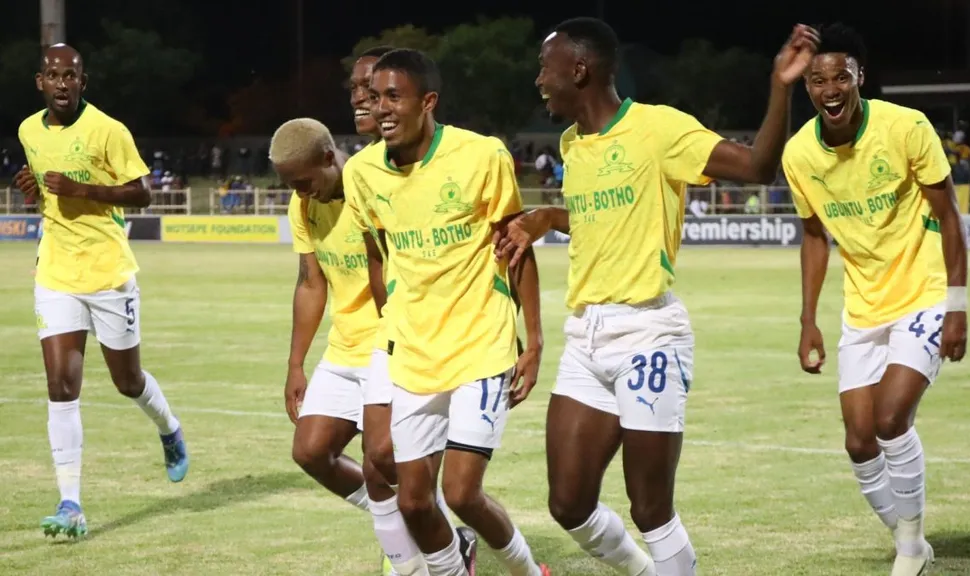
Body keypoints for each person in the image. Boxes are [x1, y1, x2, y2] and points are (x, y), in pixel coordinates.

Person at [493, 18, 818, 576]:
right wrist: (550, 215)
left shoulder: (659, 129)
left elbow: (758, 170)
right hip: (586, 336)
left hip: (649, 336)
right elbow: (604, 217)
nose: (538, 80)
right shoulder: (574, 142)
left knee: (650, 508)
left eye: (545, 69)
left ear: (580, 69)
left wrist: (780, 87)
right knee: (568, 504)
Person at [270, 47, 476, 576]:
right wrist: (296, 363)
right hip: (346, 346)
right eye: (359, 92)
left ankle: (418, 553)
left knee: (383, 460)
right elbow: (310, 281)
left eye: (375, 91)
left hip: (395, 342)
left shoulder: (375, 179)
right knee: (311, 451)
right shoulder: (306, 200)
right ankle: (424, 533)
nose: (365, 100)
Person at [345, 48, 547, 576]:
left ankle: (528, 571)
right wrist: (393, 323)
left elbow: (516, 247)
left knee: (460, 492)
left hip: (480, 345)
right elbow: (378, 254)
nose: (379, 106)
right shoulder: (362, 173)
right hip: (413, 352)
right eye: (374, 95)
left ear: (428, 101)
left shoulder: (481, 156)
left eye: (394, 96)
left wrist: (535, 340)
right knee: (412, 501)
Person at [781, 23, 968, 576]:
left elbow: (949, 216)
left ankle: (909, 552)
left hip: (925, 293)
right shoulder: (799, 155)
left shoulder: (906, 127)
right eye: (818, 80)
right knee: (860, 443)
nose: (830, 88)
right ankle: (910, 534)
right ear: (807, 88)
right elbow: (814, 234)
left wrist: (956, 304)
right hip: (862, 307)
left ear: (861, 77)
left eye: (842, 76)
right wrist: (808, 319)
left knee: (891, 420)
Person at [12, 44, 188, 540]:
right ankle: (71, 503)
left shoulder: (109, 130)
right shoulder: (28, 130)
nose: (62, 83)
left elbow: (142, 193)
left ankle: (168, 429)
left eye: (71, 75)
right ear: (39, 82)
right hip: (56, 274)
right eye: (53, 75)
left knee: (127, 381)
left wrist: (81, 188)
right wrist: (35, 193)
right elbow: (47, 198)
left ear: (83, 83)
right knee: (61, 388)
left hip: (109, 274)